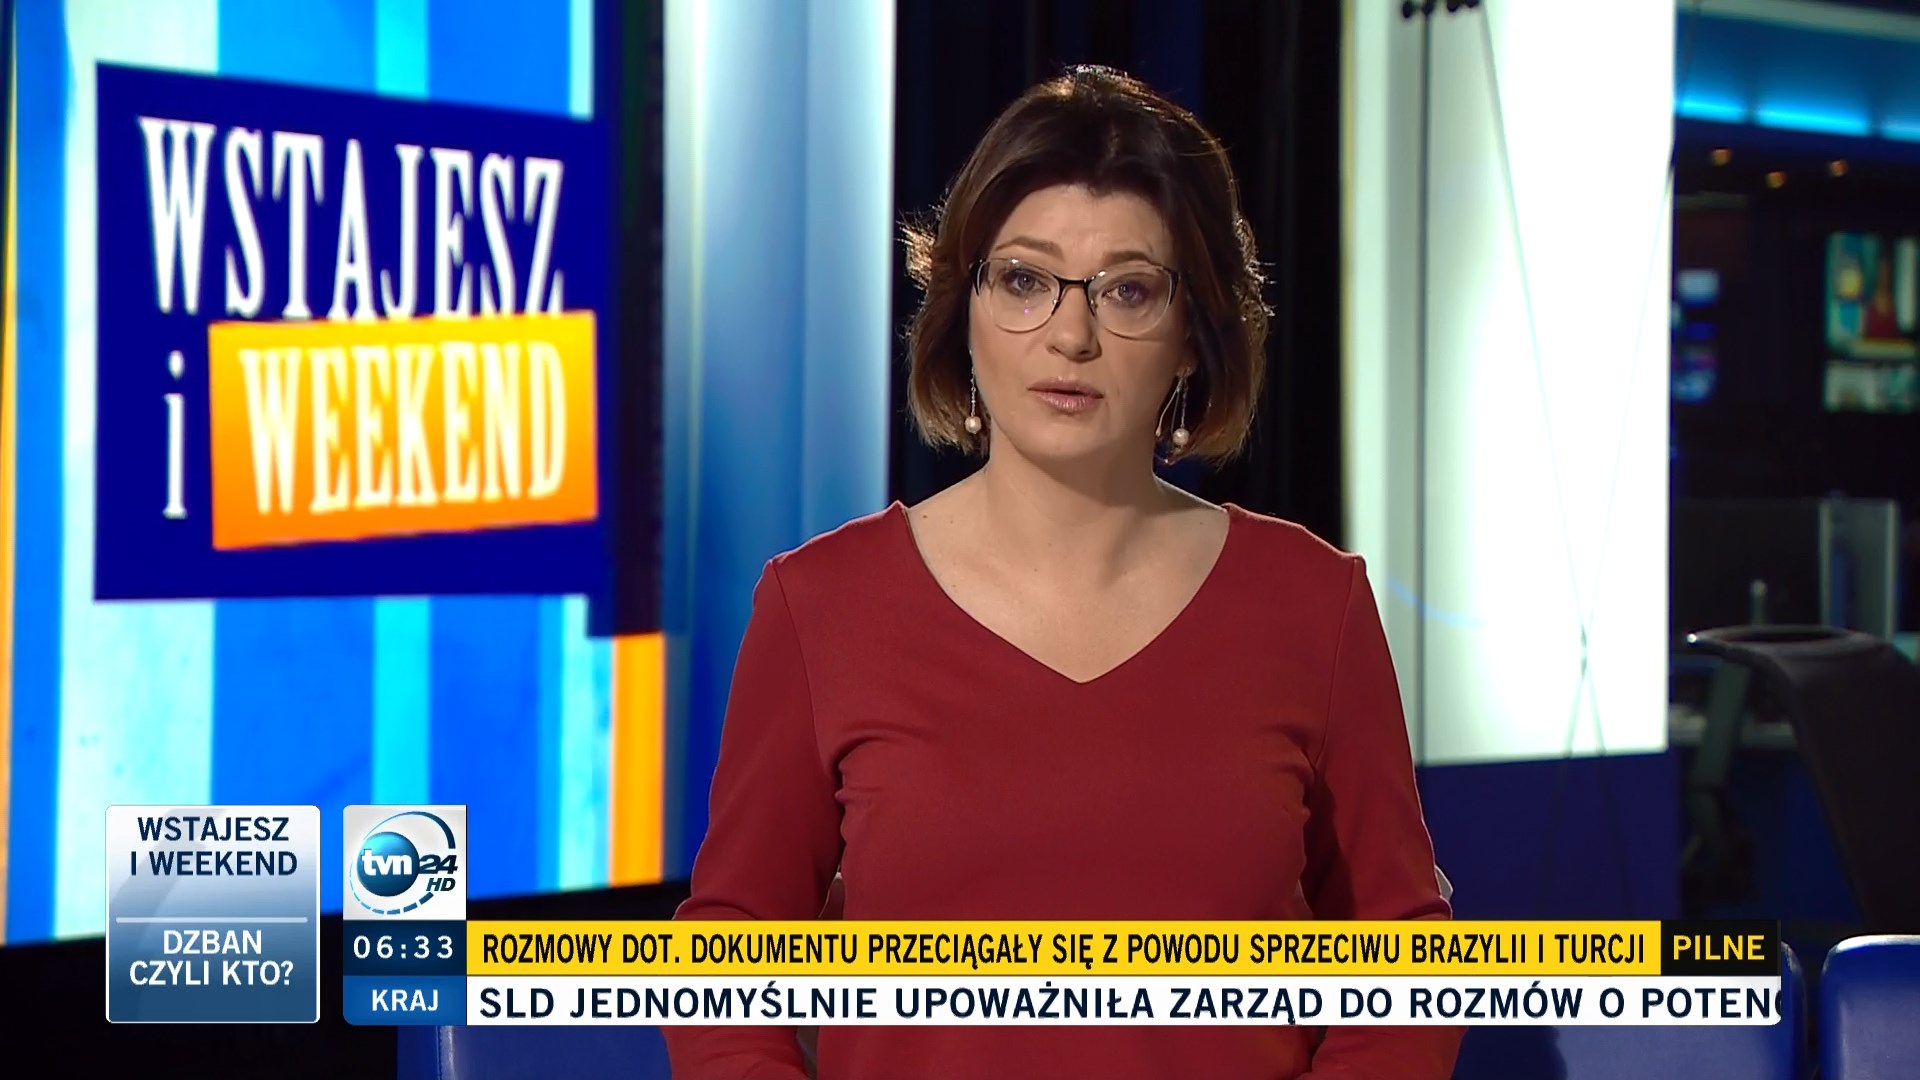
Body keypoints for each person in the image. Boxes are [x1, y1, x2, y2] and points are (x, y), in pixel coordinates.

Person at [665, 65, 1461, 1080]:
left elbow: (1404, 957)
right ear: (964, 308)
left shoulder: (1314, 605)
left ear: (1191, 337)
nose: (1071, 335)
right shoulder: (820, 606)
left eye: (1129, 290)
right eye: (1023, 281)